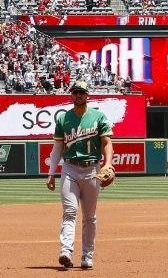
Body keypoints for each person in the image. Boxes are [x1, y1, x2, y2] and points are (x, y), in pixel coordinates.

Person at [46, 80, 113, 270]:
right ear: (71, 95)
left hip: (92, 169)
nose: (78, 95)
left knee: (89, 216)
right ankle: (66, 251)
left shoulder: (98, 117)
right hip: (70, 168)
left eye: (82, 92)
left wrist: (107, 164)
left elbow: (107, 142)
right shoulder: (63, 119)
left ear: (87, 95)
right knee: (69, 211)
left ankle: (87, 256)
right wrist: (51, 173)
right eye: (75, 92)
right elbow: (58, 147)